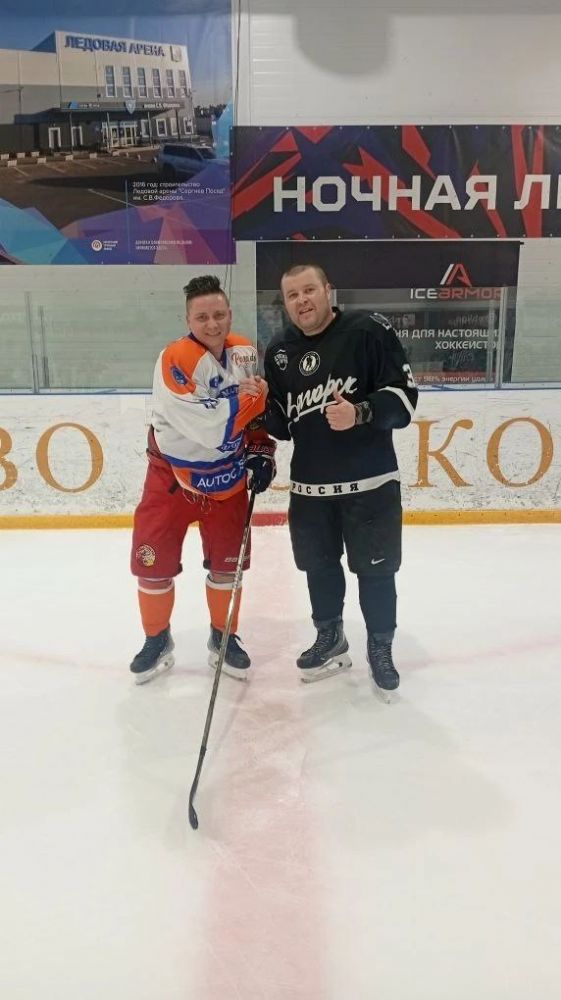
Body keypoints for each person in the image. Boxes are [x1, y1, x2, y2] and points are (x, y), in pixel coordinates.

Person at [263, 264, 418, 696]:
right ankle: (330, 635)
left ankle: (380, 647)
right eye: (292, 295)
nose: (302, 300)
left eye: (309, 290)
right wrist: (259, 406)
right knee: (319, 567)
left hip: (371, 487)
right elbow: (283, 424)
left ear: (328, 290)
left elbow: (405, 400)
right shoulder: (279, 350)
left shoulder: (368, 331)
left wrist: (361, 412)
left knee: (377, 571)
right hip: (310, 490)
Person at [130, 275, 276, 684]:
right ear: (188, 320)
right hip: (171, 478)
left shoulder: (244, 352)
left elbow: (256, 418)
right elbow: (211, 428)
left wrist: (261, 447)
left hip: (227, 477)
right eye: (202, 317)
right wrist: (252, 398)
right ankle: (157, 639)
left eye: (219, 314)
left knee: (229, 565)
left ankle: (223, 637)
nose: (212, 324)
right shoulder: (174, 359)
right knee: (152, 565)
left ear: (229, 314)